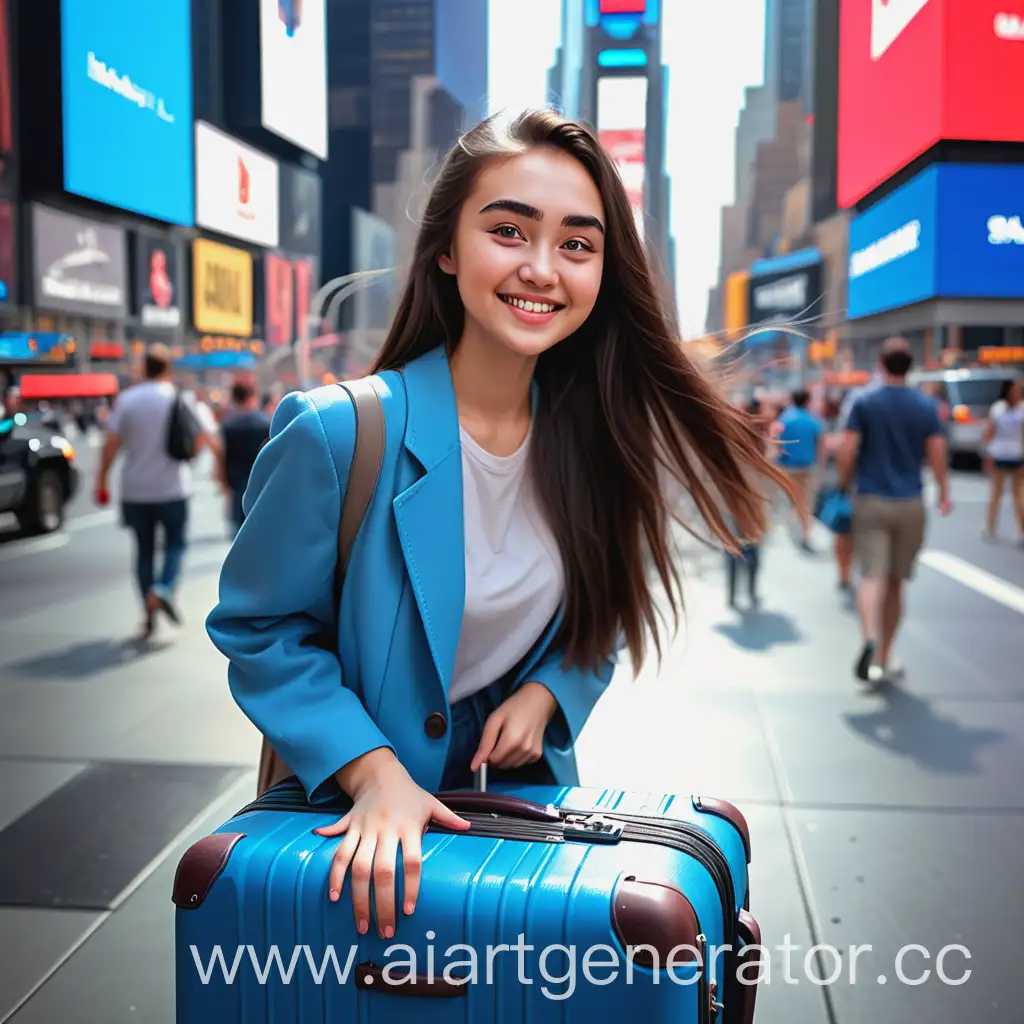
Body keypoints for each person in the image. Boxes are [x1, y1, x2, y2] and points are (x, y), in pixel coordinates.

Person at [205, 108, 797, 940]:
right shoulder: (338, 432)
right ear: (447, 249)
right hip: (357, 832)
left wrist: (549, 690)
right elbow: (259, 628)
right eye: (510, 231)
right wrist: (373, 773)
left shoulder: (596, 440)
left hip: (520, 818)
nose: (543, 268)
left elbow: (605, 612)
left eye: (578, 244)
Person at [837, 337, 951, 684]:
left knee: (871, 576)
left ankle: (869, 637)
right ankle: (885, 655)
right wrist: (944, 492)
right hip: (911, 502)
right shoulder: (925, 405)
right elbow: (936, 452)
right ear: (910, 366)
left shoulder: (863, 401)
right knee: (897, 584)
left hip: (871, 498)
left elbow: (847, 450)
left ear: (882, 364)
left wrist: (843, 485)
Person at [96, 344, 215, 638]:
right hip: (174, 487)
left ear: (143, 368)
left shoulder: (128, 400)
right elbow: (203, 435)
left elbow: (111, 443)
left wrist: (101, 479)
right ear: (167, 370)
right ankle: (164, 589)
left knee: (144, 550)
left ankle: (148, 613)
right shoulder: (178, 397)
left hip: (135, 489)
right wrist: (189, 456)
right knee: (175, 545)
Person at [216, 380, 272, 535]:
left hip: (237, 483)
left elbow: (222, 455)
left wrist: (222, 481)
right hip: (263, 484)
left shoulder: (227, 425)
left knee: (239, 533)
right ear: (252, 396)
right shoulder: (266, 422)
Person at [775, 388, 824, 551]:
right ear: (807, 401)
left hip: (787, 467)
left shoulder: (784, 420)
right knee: (804, 503)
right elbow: (821, 445)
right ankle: (804, 534)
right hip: (806, 468)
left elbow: (776, 444)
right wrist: (820, 465)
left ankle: (791, 531)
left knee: (791, 501)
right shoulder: (813, 421)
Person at [982, 378, 1024, 543]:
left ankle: (1014, 529)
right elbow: (989, 431)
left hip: (1010, 453)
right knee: (1002, 493)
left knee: (1013, 494)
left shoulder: (1008, 409)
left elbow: (989, 432)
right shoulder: (1003, 409)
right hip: (1005, 453)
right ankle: (992, 526)